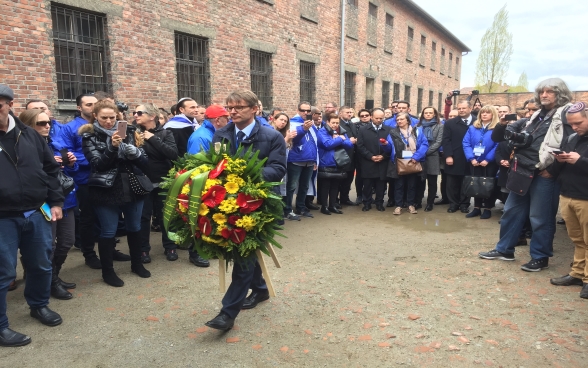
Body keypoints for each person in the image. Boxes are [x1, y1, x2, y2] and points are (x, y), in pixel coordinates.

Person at [205, 90, 287, 331]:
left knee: (242, 254)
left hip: (256, 204)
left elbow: (278, 169)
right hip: (227, 202)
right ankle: (260, 289)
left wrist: (246, 176)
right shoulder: (221, 134)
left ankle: (227, 313)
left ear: (254, 109)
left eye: (238, 107)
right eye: (229, 107)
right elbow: (214, 164)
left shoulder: (272, 136)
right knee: (245, 251)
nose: (232, 111)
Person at [479, 78, 574, 272]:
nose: (544, 95)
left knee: (540, 217)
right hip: (522, 169)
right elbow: (500, 137)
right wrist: (503, 125)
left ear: (560, 93)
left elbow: (571, 143)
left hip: (544, 171)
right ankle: (504, 249)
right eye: (541, 92)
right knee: (511, 212)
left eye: (549, 92)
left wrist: (552, 170)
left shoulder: (566, 115)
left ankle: (540, 257)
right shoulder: (536, 115)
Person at [0, 85, 64, 347]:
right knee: (3, 272)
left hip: (35, 211)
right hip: (2, 217)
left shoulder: (29, 134)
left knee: (40, 263)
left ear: (9, 104)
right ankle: (1, 326)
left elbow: (50, 169)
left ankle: (38, 305)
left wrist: (56, 201)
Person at [79, 100, 152, 287]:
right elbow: (98, 165)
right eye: (104, 118)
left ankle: (137, 264)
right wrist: (112, 148)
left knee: (135, 227)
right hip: (105, 188)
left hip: (131, 184)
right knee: (109, 230)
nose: (109, 121)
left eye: (112, 117)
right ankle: (108, 272)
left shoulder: (128, 131)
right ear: (95, 116)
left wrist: (136, 153)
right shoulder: (89, 136)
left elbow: (145, 163)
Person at [18, 109, 78, 300]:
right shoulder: (20, 146)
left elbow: (71, 170)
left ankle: (55, 276)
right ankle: (49, 282)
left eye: (48, 123)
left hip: (64, 200)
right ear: (27, 126)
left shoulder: (55, 143)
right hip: (41, 203)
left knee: (67, 241)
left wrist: (70, 163)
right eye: (41, 123)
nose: (47, 127)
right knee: (47, 246)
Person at [60, 93, 116, 269]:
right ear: (79, 107)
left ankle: (110, 250)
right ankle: (89, 253)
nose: (92, 106)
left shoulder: (107, 125)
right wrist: (92, 158)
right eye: (88, 104)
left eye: (95, 103)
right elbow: (66, 153)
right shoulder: (71, 128)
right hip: (85, 179)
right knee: (88, 218)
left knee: (108, 218)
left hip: (109, 179)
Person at [549, 102, 588, 298]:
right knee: (578, 239)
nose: (575, 127)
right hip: (568, 194)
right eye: (571, 124)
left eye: (578, 123)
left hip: (586, 197)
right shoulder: (572, 137)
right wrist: (559, 160)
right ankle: (578, 273)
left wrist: (579, 161)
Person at [135, 103, 179, 263]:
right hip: (143, 181)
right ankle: (143, 250)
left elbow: (173, 154)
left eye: (140, 112)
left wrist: (152, 139)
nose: (135, 115)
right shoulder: (133, 134)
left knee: (166, 216)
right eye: (134, 112)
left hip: (163, 181)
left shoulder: (165, 133)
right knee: (144, 217)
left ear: (152, 116)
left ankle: (170, 246)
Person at [462, 105, 499, 219]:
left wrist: (488, 159)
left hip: (489, 163)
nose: (484, 114)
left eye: (487, 113)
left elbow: (498, 145)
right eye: (482, 113)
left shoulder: (497, 128)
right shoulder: (473, 127)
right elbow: (466, 143)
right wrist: (471, 158)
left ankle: (487, 208)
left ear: (493, 115)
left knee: (488, 185)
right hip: (474, 161)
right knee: (476, 184)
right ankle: (477, 208)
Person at [388, 112, 428, 215]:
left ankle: (411, 205)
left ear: (407, 120)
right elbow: (390, 146)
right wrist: (384, 145)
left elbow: (424, 144)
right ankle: (398, 206)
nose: (399, 121)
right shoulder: (393, 132)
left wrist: (416, 157)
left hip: (414, 161)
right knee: (399, 185)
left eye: (401, 119)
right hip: (399, 162)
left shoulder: (417, 131)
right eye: (397, 120)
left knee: (412, 185)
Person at [284, 101, 318, 219]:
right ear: (298, 111)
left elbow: (315, 143)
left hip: (309, 160)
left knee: (304, 186)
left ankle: (301, 207)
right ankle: (287, 210)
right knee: (291, 186)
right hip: (296, 159)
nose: (305, 113)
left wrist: (315, 160)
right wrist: (303, 128)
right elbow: (294, 138)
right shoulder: (292, 123)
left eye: (308, 111)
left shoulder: (311, 124)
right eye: (303, 110)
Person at [317, 113, 353, 215]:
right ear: (328, 122)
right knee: (325, 186)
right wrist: (340, 139)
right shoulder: (322, 131)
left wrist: (339, 138)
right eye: (333, 122)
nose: (335, 125)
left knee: (335, 186)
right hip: (326, 162)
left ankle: (332, 205)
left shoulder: (341, 131)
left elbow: (349, 145)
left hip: (339, 162)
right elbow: (327, 144)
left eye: (337, 123)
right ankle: (324, 206)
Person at [356, 109, 392, 212]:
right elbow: (360, 146)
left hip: (382, 161)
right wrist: (370, 156)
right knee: (367, 184)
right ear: (371, 117)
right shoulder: (363, 129)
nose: (379, 120)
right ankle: (366, 203)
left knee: (381, 185)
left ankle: (379, 203)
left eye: (381, 118)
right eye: (377, 118)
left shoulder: (389, 130)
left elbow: (391, 146)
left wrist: (383, 156)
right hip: (368, 162)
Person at [442, 101, 473, 213]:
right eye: (459, 108)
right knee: (452, 183)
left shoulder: (476, 122)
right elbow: (446, 140)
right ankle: (453, 204)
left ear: (470, 108)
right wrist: (448, 155)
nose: (461, 110)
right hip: (454, 156)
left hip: (470, 157)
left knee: (467, 181)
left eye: (464, 108)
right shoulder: (450, 123)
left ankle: (464, 204)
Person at [415, 107, 443, 211]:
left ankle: (430, 203)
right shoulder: (417, 126)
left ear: (435, 114)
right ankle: (418, 201)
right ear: (422, 114)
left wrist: (425, 152)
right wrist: (419, 153)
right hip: (420, 157)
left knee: (432, 181)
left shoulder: (440, 126)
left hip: (432, 156)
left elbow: (439, 142)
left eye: (430, 113)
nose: (428, 114)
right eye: (426, 113)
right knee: (420, 181)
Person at [337, 106, 359, 206]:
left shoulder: (351, 123)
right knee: (340, 179)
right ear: (340, 113)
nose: (350, 114)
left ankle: (344, 198)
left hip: (352, 155)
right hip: (342, 155)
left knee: (349, 178)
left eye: (351, 112)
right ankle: (335, 200)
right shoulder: (337, 124)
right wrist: (348, 141)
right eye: (347, 112)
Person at [355, 109, 372, 204]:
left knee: (370, 177)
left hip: (371, 154)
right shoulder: (355, 126)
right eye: (362, 116)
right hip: (359, 154)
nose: (365, 117)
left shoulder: (374, 125)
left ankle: (368, 195)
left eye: (366, 115)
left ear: (370, 116)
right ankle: (359, 195)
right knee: (360, 176)